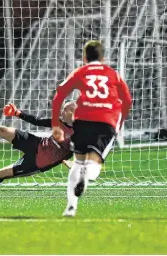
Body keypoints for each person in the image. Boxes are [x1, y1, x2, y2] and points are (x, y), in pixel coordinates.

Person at [51, 40, 132, 217]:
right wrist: (119, 123)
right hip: (106, 122)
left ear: (84, 57)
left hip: (83, 121)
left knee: (78, 163)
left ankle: (71, 207)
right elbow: (127, 100)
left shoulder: (81, 72)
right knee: (93, 164)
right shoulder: (113, 74)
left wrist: (56, 125)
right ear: (103, 58)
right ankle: (85, 177)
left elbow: (59, 95)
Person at [0, 102, 76, 190]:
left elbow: (82, 152)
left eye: (65, 110)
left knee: (1, 173)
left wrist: (75, 163)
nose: (62, 112)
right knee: (4, 130)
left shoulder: (79, 134)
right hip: (36, 143)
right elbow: (37, 121)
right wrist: (17, 113)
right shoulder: (58, 122)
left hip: (38, 162)